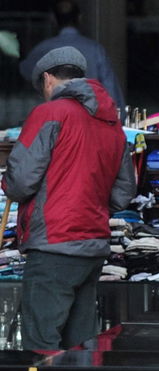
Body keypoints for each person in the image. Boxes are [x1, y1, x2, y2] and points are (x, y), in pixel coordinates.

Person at [2, 47, 135, 352]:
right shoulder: (112, 123)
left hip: (55, 244)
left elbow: (20, 182)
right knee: (82, 345)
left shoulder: (49, 113)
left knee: (41, 345)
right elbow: (123, 193)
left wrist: (7, 181)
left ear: (48, 78)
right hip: (93, 246)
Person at [17, 1, 125, 114]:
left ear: (53, 19)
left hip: (53, 118)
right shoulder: (95, 49)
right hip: (89, 119)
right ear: (79, 18)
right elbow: (111, 89)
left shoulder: (42, 49)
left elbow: (25, 71)